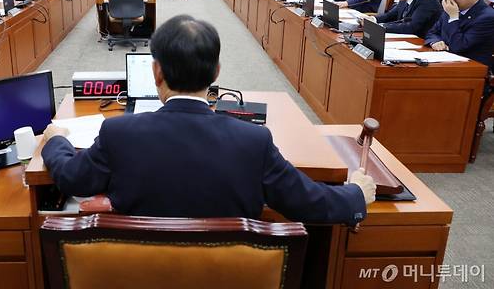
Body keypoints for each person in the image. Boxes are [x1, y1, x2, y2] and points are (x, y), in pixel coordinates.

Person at [41, 14, 375, 221]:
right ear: (216, 72)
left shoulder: (118, 133)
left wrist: (55, 139)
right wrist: (356, 194)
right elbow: (308, 203)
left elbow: (72, 178)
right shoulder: (254, 141)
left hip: (138, 271)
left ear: (156, 71)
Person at [425, 0, 494, 70]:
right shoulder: (452, 8)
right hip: (443, 64)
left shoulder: (487, 17)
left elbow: (459, 46)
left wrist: (453, 17)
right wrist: (435, 42)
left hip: (469, 71)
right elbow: (431, 33)